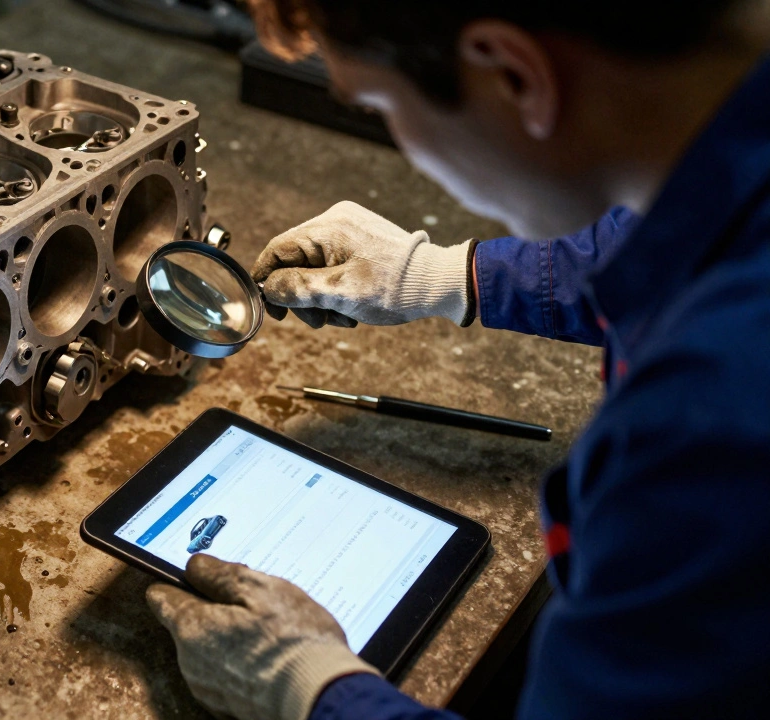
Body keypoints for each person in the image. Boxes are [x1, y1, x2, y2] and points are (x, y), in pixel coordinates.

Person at [144, 1, 770, 718]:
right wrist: (447, 276)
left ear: (513, 75)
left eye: (379, 105)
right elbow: (665, 235)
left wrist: (310, 689)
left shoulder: (713, 418)